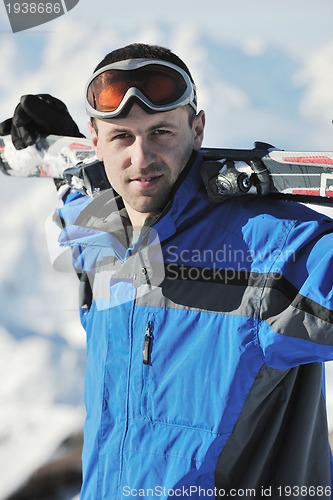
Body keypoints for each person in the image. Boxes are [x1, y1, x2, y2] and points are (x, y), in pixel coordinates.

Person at [1, 42, 333, 499]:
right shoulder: (102, 238)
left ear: (197, 129)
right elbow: (85, 214)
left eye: (161, 132)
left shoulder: (272, 252)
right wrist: (64, 165)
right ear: (94, 141)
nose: (141, 159)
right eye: (122, 137)